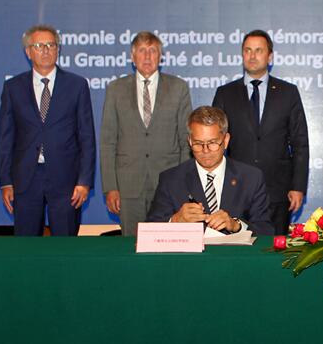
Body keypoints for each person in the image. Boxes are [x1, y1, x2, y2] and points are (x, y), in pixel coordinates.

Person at [0, 24, 96, 236]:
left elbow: (86, 137)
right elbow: (6, 139)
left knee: (65, 245)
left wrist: (84, 181)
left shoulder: (77, 85)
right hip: (26, 179)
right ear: (28, 52)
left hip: (66, 180)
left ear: (58, 50)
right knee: (26, 246)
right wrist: (6, 182)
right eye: (39, 46)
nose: (46, 50)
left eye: (51, 45)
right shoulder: (13, 87)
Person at [212, 30, 309, 234]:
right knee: (236, 248)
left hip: (278, 190)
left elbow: (300, 143)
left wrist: (298, 186)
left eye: (259, 50)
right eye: (247, 50)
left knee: (274, 248)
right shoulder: (225, 93)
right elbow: (214, 142)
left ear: (270, 56)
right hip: (235, 188)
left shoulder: (288, 92)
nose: (252, 56)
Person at [99, 31, 192, 236]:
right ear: (132, 57)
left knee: (168, 242)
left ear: (161, 56)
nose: (147, 56)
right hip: (128, 186)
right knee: (131, 246)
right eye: (142, 51)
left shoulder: (178, 88)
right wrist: (110, 187)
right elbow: (108, 142)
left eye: (153, 51)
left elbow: (186, 141)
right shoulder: (115, 89)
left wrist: (182, 184)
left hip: (168, 184)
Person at [146, 106, 273, 235]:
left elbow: (266, 231)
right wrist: (174, 221)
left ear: (226, 140)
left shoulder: (251, 178)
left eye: (212, 143)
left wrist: (237, 226)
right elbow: (149, 231)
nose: (205, 151)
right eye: (198, 143)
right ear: (189, 141)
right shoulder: (171, 180)